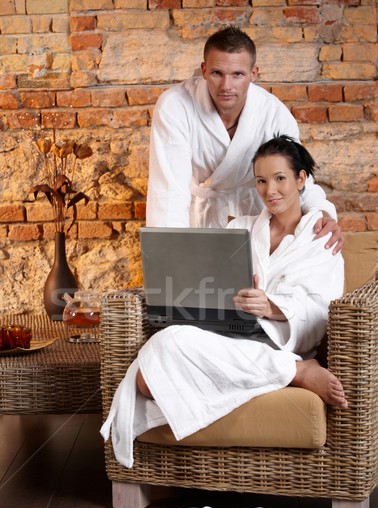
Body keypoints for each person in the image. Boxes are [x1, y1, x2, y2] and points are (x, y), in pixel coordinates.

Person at [101, 136, 346, 469]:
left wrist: (271, 307)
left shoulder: (321, 238)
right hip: (230, 335)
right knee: (151, 370)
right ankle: (289, 373)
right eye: (261, 180)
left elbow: (320, 310)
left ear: (301, 180)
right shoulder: (241, 229)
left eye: (280, 178)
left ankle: (299, 368)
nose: (269, 190)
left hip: (279, 341)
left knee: (161, 361)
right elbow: (213, 278)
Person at [146, 26, 343, 254]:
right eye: (217, 73)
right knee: (190, 281)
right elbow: (169, 190)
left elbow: (297, 178)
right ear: (203, 70)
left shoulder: (273, 114)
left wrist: (322, 213)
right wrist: (169, 256)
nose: (226, 86)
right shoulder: (175, 106)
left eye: (237, 74)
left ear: (254, 73)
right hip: (197, 216)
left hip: (255, 218)